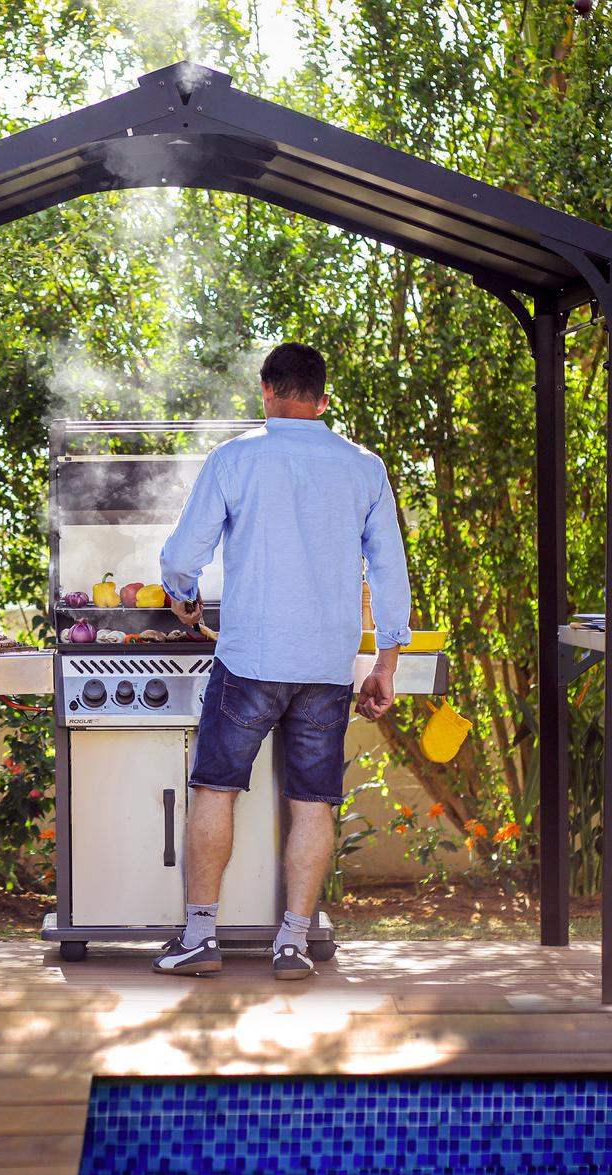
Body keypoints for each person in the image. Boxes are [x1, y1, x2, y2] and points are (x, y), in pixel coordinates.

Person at [153, 342, 411, 980]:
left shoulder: (235, 458)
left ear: (266, 389)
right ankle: (294, 942)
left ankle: (199, 938)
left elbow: (182, 558)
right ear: (323, 400)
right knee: (313, 802)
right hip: (327, 665)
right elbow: (390, 570)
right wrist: (387, 661)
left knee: (216, 788)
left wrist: (186, 603)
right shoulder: (364, 468)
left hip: (250, 661)